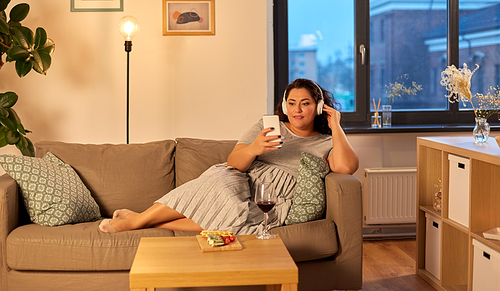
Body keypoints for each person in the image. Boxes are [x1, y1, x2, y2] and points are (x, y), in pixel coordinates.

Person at [99, 78, 358, 234]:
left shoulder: (327, 141)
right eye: (291, 103)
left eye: (305, 103)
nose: (297, 109)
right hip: (240, 178)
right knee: (220, 183)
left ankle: (140, 221)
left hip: (273, 195)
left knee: (234, 216)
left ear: (319, 106)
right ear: (283, 105)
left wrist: (336, 126)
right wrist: (256, 148)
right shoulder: (266, 126)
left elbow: (346, 167)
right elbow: (234, 162)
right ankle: (138, 222)